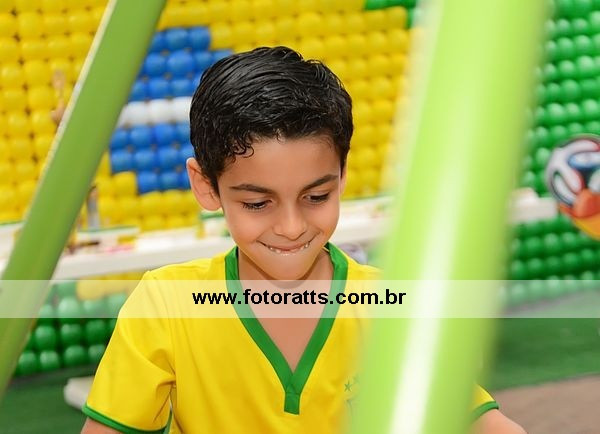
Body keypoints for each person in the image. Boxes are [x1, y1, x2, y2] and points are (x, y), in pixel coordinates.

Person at [81, 47, 525, 434]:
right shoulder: (165, 307)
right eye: (258, 203)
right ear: (206, 185)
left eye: (316, 197)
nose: (292, 227)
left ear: (342, 175)